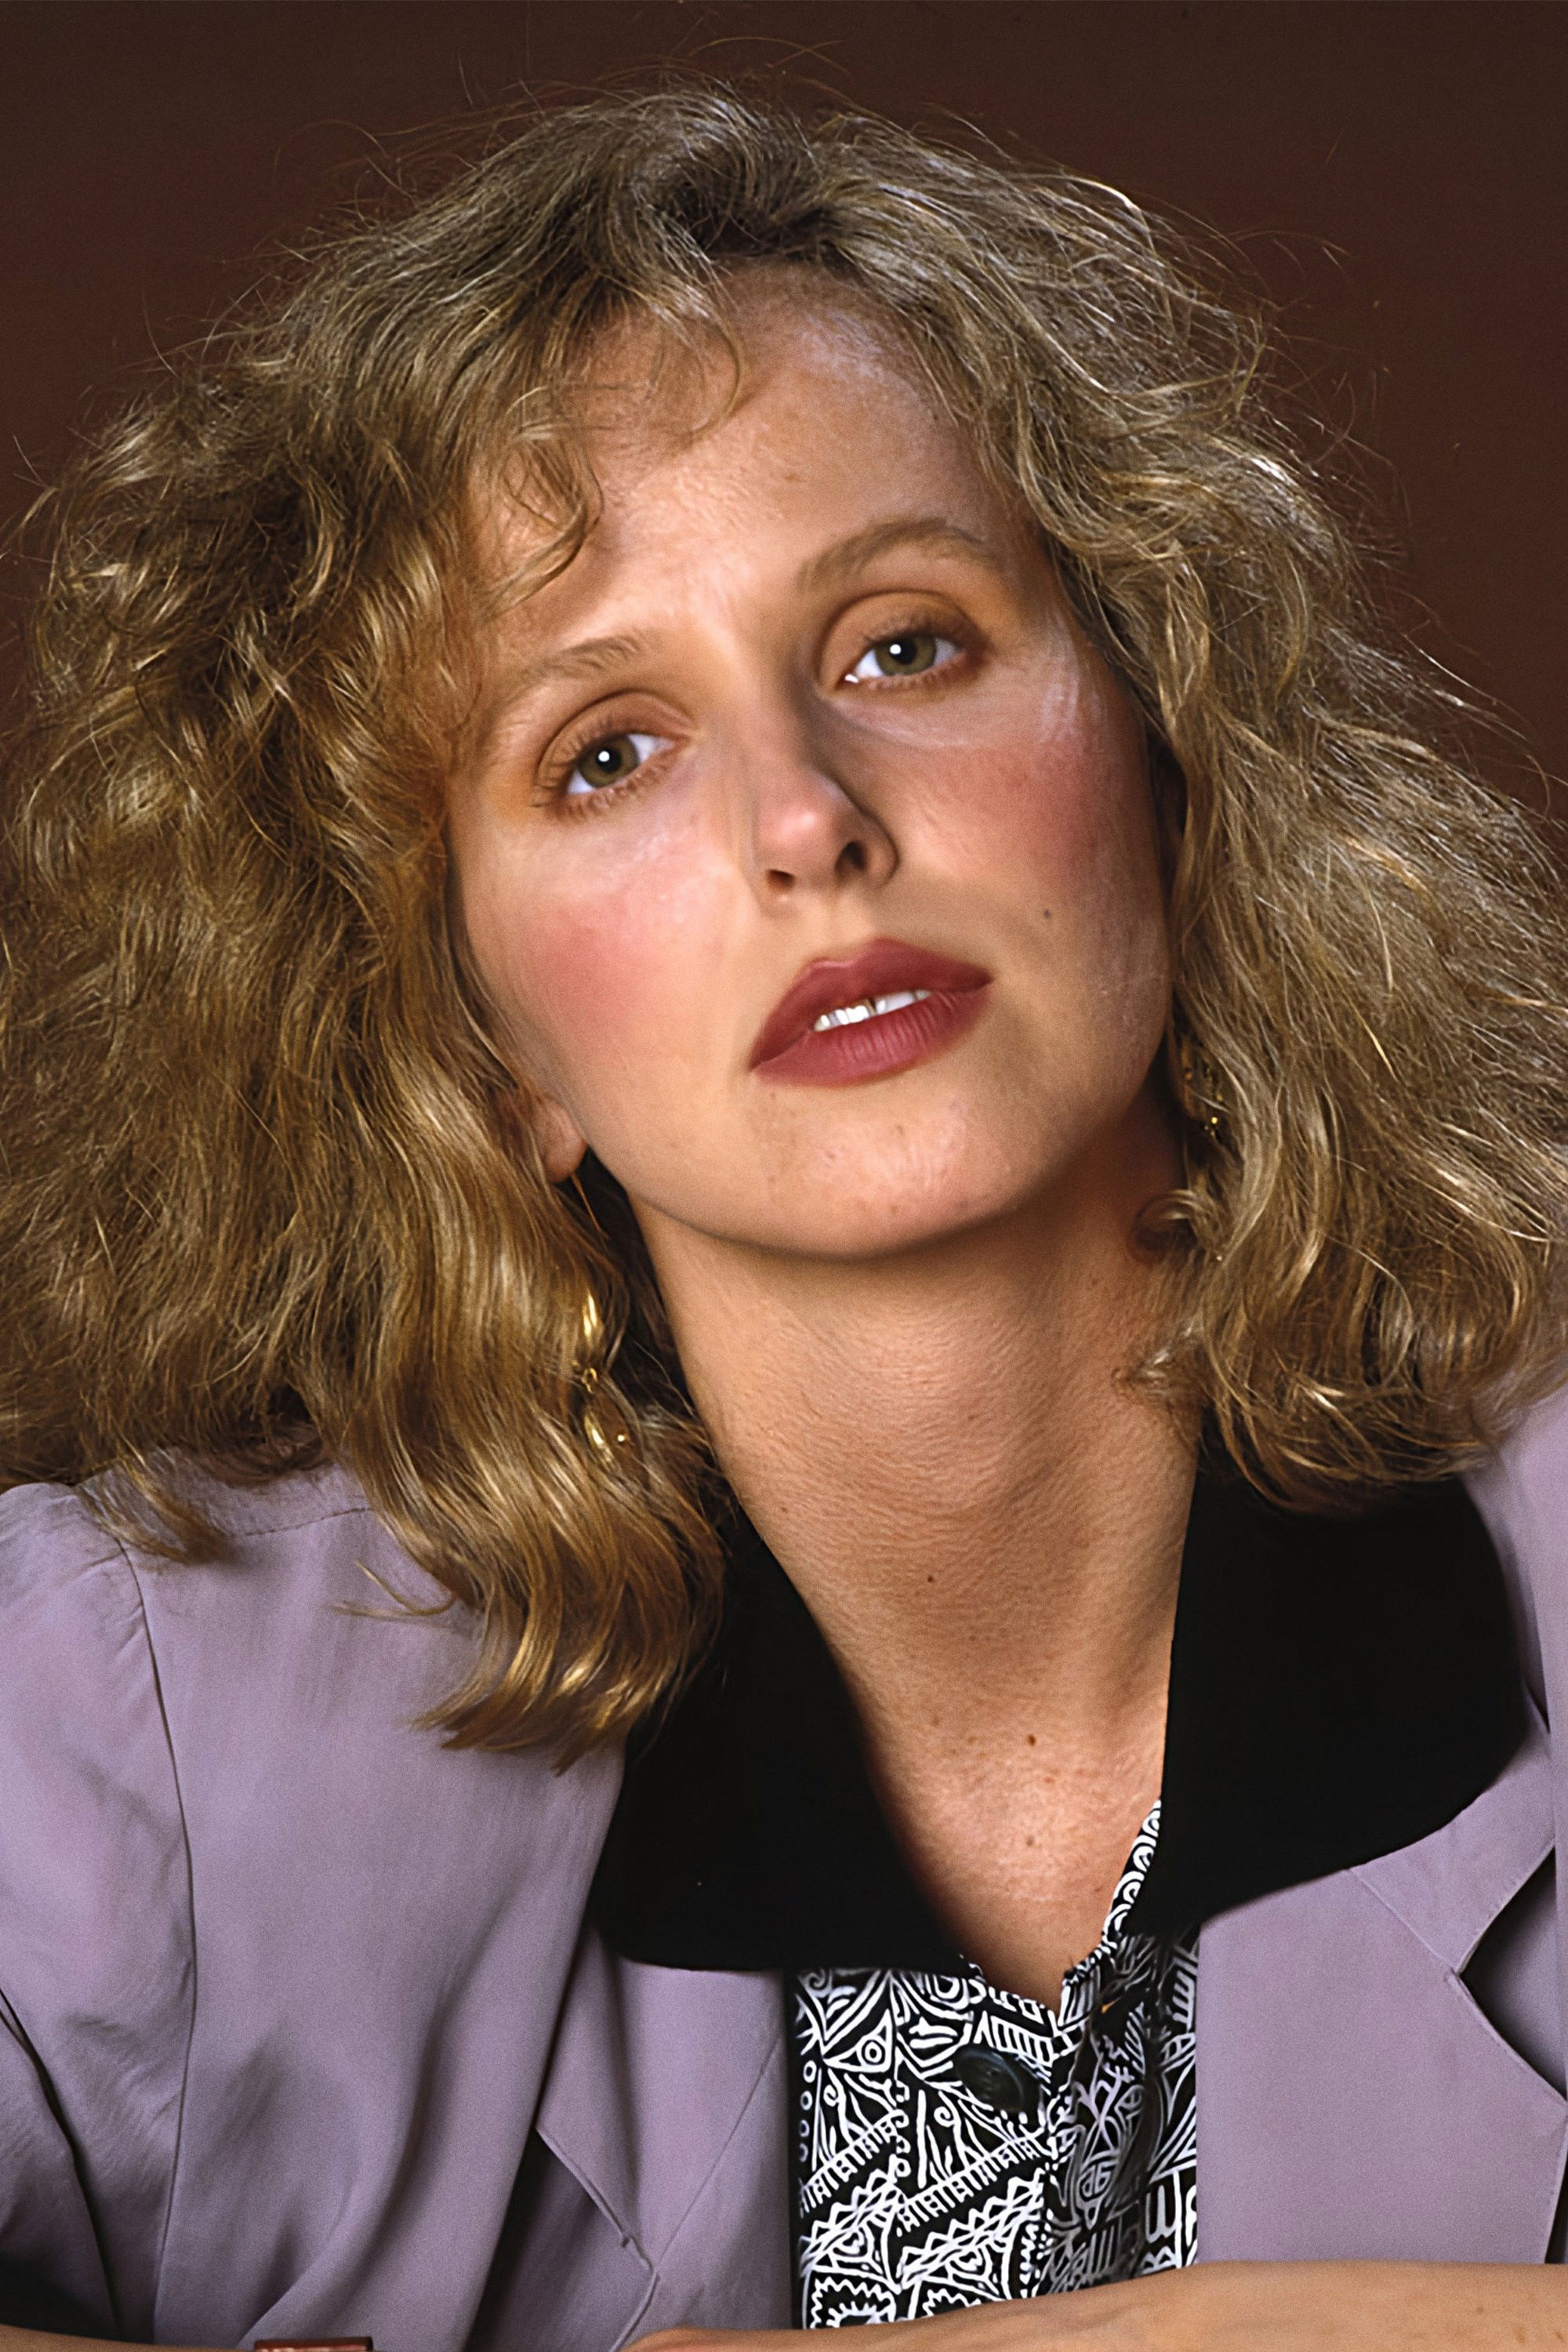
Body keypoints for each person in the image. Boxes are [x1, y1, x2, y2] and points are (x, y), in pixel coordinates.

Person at [3, 80, 1568, 2352]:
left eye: (903, 645)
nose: (807, 821)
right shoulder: (119, 1720)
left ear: (1166, 753)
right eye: (605, 752)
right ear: (481, 1036)